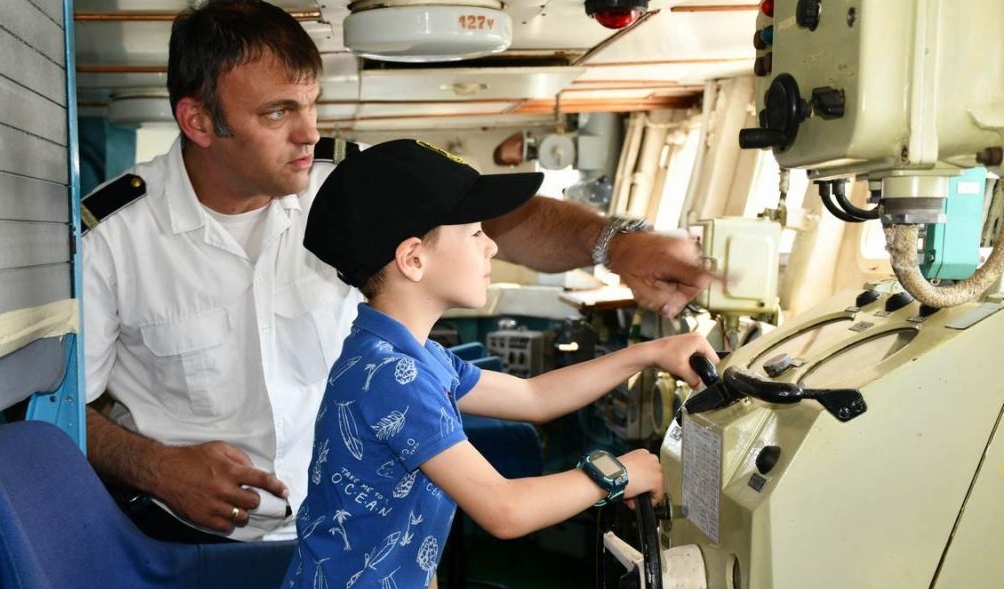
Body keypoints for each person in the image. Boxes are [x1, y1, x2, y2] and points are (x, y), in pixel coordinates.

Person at [81, 0, 714, 543]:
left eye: (312, 105)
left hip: (344, 532)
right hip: (179, 539)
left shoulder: (345, 187)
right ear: (198, 121)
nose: (309, 133)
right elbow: (53, 412)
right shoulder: (111, 238)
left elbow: (504, 228)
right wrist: (157, 468)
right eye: (277, 113)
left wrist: (618, 247)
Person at [262, 138, 719, 589]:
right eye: (476, 232)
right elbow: (505, 511)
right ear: (413, 259)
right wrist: (621, 472)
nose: (492, 247)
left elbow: (534, 397)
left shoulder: (406, 353)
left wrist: (652, 352)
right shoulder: (393, 376)